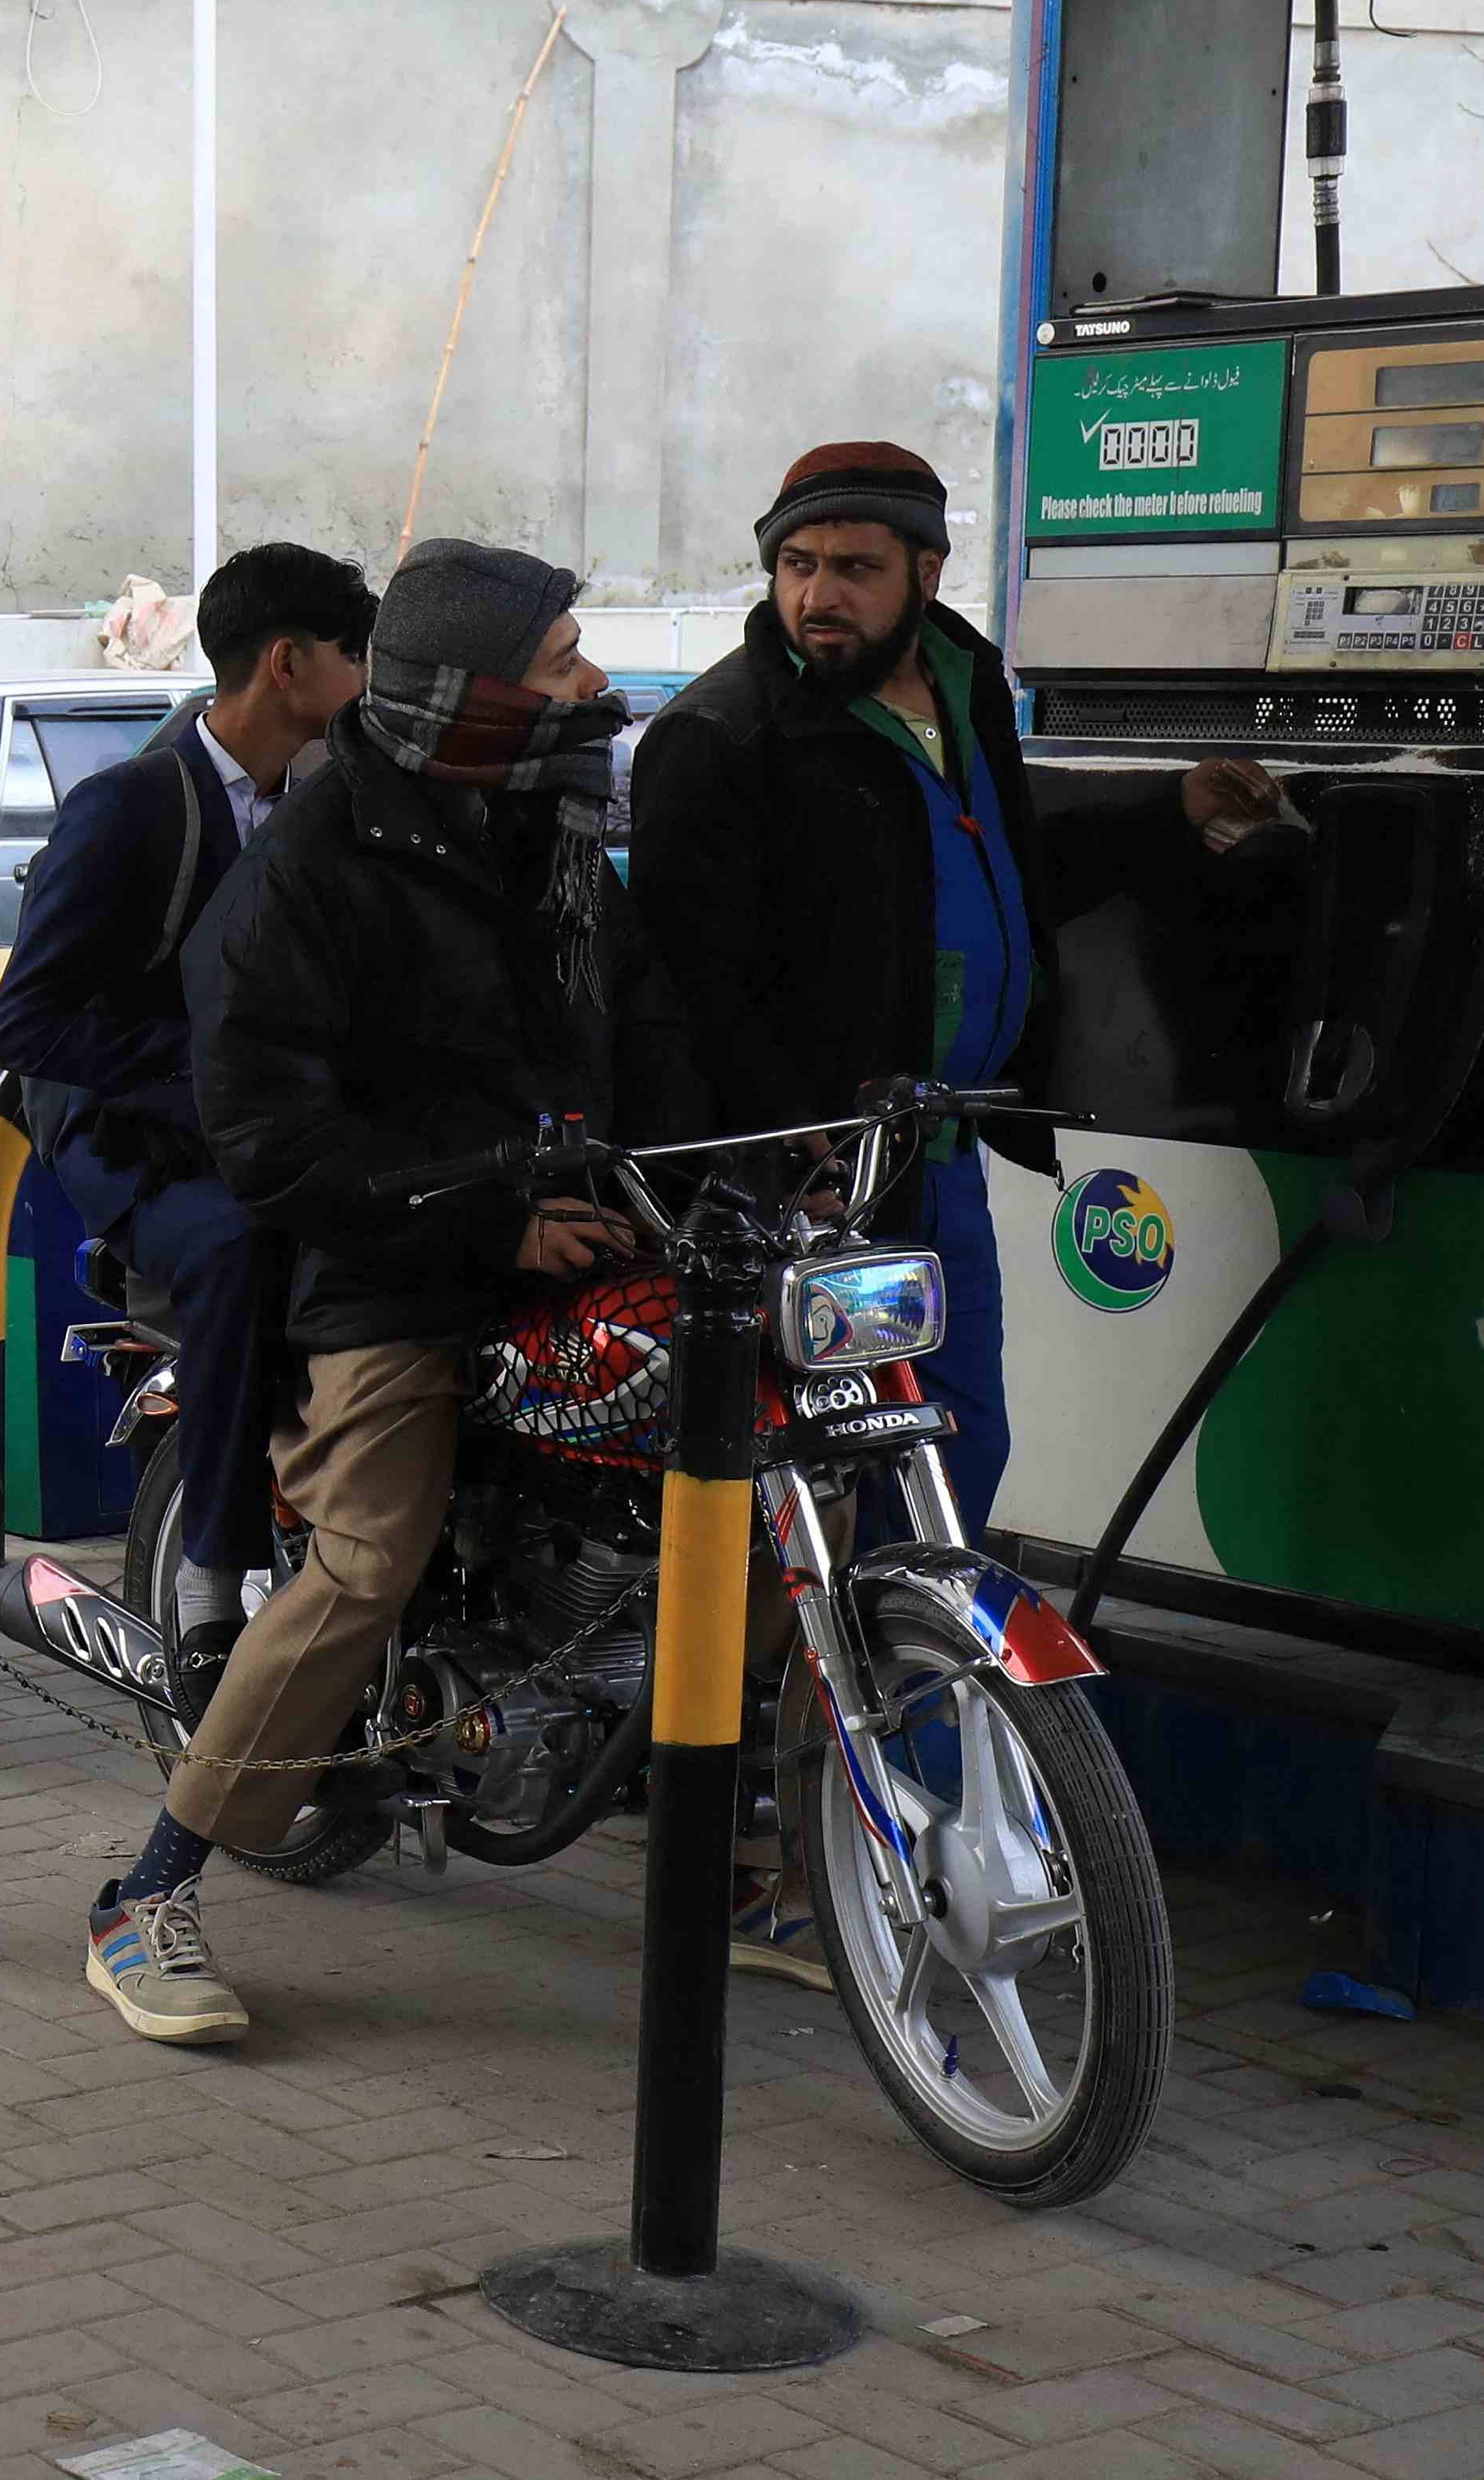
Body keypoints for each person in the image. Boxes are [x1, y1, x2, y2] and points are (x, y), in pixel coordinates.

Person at [85, 539, 699, 2048]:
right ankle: (147, 1895)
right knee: (369, 1554)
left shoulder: (545, 836)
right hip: (380, 1260)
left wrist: (768, 1157)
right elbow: (277, 1141)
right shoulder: (304, 873)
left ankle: (752, 1870)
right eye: (560, 663)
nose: (597, 687)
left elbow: (651, 1032)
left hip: (566, 1228)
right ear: (469, 694)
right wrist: (497, 1218)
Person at [627, 440, 1287, 1550]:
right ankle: (801, 1708)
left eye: (853, 567)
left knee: (958, 1445)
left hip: (939, 1158)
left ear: (926, 573)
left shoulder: (962, 685)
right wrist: (787, 1157)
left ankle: (900, 1702)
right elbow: (691, 990)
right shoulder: (724, 736)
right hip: (826, 1184)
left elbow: (1001, 875)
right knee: (823, 1481)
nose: (817, 596)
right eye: (794, 564)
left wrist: (1167, 812)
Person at [0, 543, 376, 1572]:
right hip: (138, 1136)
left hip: (279, 1121)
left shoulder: (327, 801)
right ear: (288, 663)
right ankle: (216, 1566)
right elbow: (27, 1025)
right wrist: (214, 1071)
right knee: (241, 1255)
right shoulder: (132, 807)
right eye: (357, 651)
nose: (370, 676)